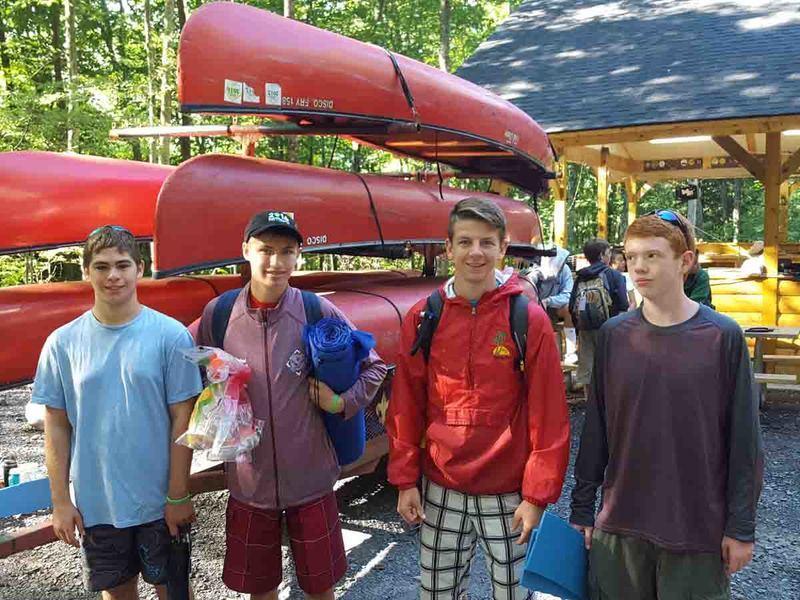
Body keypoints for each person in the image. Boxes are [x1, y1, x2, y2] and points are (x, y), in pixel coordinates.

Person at [570, 209, 763, 600]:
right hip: (619, 527)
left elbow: (745, 440)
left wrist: (740, 527)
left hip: (695, 529)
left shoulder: (722, 337)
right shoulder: (613, 335)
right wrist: (581, 509)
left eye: (653, 256)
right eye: (631, 256)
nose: (638, 266)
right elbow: (596, 431)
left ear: (685, 261)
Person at [194, 210, 387, 600]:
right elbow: (184, 365)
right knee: (260, 588)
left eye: (287, 251)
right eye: (266, 250)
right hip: (250, 482)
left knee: (321, 586)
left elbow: (375, 366)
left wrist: (340, 401)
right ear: (246, 250)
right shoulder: (219, 314)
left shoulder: (317, 311)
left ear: (298, 255)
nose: (276, 262)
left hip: (312, 481)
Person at [386, 197, 570, 600]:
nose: (476, 253)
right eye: (465, 242)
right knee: (437, 593)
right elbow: (406, 404)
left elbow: (549, 414)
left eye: (487, 242)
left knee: (515, 594)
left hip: (508, 492)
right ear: (448, 248)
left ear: (503, 248)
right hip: (441, 486)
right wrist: (404, 480)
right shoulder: (424, 317)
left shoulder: (526, 318)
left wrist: (537, 495)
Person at [32, 226, 202, 599]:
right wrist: (61, 501)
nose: (113, 275)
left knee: (175, 592)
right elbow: (57, 426)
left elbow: (183, 419)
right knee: (116, 594)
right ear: (86, 272)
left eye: (123, 265)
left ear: (140, 269)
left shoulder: (170, 336)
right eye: (102, 266)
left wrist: (177, 495)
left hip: (159, 502)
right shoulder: (61, 343)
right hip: (98, 504)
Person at [569, 239, 629, 391]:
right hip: (610, 328)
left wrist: (579, 327)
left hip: (586, 328)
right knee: (610, 369)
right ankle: (610, 407)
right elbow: (623, 304)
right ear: (602, 255)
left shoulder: (580, 277)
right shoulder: (615, 276)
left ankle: (590, 407)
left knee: (588, 370)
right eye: (608, 253)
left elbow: (571, 306)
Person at [522, 245, 578, 364]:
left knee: (569, 309)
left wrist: (549, 301)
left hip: (556, 307)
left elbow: (568, 294)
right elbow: (525, 294)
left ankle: (571, 352)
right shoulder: (534, 270)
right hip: (536, 309)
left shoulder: (565, 270)